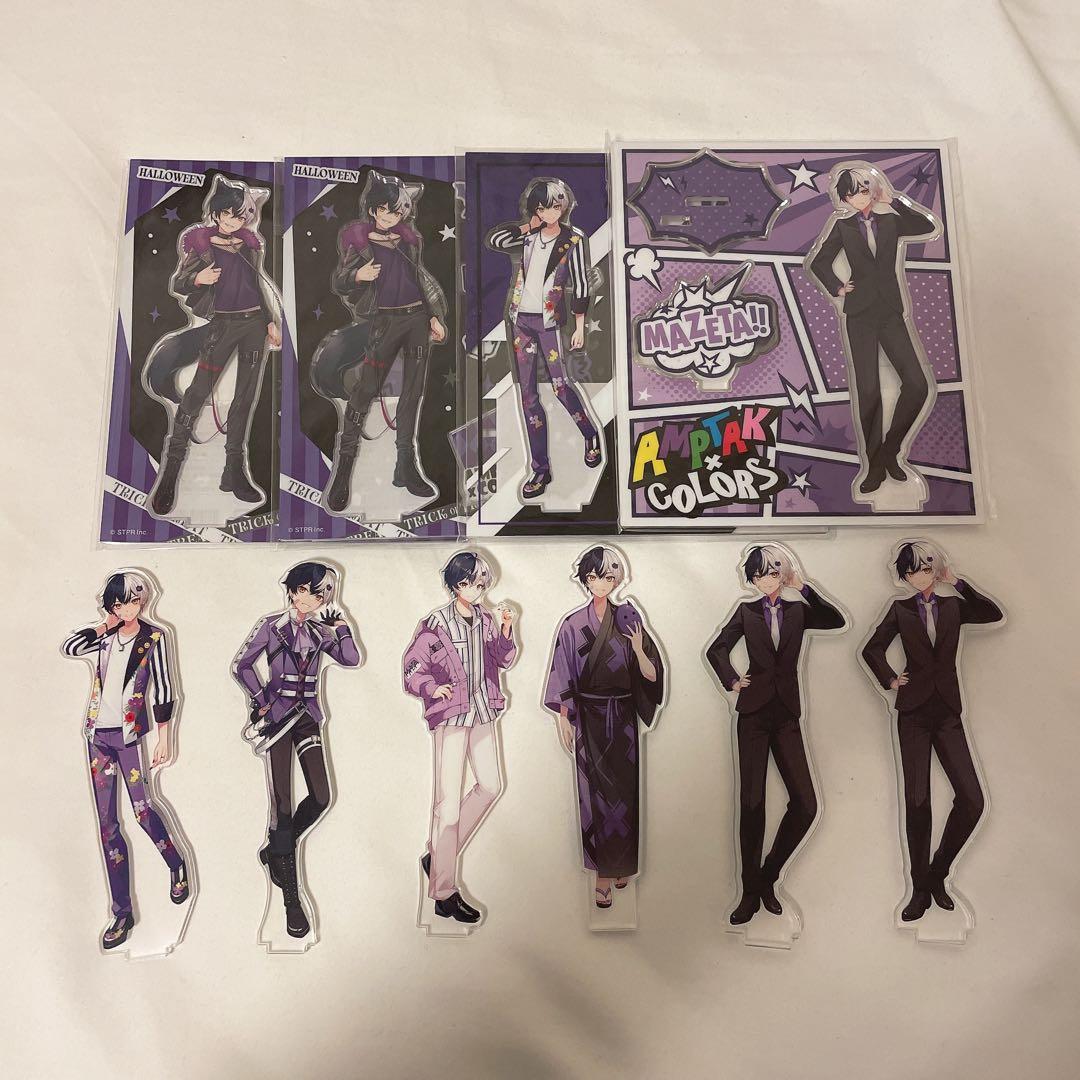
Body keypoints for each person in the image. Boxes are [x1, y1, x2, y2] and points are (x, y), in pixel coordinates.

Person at [862, 540, 1004, 922]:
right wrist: (891, 680)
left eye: (927, 567)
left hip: (947, 711)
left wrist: (956, 581)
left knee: (972, 799)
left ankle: (937, 874)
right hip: (912, 713)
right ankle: (918, 889)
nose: (921, 575)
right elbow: (871, 650)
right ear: (905, 575)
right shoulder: (900, 609)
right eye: (914, 570)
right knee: (917, 801)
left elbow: (991, 613)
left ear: (935, 568)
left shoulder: (954, 605)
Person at [706, 545, 845, 925]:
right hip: (752, 713)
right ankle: (749, 892)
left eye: (773, 572)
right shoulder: (746, 611)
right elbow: (717, 650)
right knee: (752, 804)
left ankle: (767, 877)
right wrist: (733, 680)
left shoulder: (798, 610)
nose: (768, 580)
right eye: (761, 574)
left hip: (786, 713)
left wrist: (803, 586)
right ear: (752, 579)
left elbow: (834, 620)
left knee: (806, 804)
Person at [62, 571, 190, 951]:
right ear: (112, 606)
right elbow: (70, 647)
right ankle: (122, 912)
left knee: (143, 809)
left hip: (130, 736)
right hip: (98, 737)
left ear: (143, 600)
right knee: (107, 825)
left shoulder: (154, 637)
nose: (129, 609)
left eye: (134, 601)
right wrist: (105, 625)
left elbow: (165, 689)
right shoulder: (103, 638)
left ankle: (176, 863)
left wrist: (164, 738)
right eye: (120, 604)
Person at [233, 562, 360, 938]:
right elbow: (242, 665)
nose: (310, 599)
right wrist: (261, 700)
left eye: (318, 594)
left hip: (307, 718)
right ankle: (292, 901)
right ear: (292, 590)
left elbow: (351, 658)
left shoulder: (322, 631)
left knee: (321, 796)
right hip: (277, 719)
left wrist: (342, 626)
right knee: (283, 807)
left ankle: (277, 849)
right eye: (304, 590)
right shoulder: (271, 626)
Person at [147, 175, 281, 516]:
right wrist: (198, 278)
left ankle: (233, 471)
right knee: (197, 393)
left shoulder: (249, 245)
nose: (236, 221)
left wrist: (269, 320)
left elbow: (256, 285)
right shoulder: (201, 244)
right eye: (231, 214)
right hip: (222, 326)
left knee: (245, 398)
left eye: (243, 216)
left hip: (254, 326)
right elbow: (179, 282)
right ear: (218, 213)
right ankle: (170, 471)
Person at [544, 546, 665, 910]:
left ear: (617, 580)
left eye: (609, 577)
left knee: (625, 795)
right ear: (586, 579)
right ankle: (602, 875)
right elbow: (562, 670)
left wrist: (638, 647)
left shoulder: (627, 619)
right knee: (593, 796)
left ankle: (623, 865)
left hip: (623, 717)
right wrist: (563, 716)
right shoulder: (571, 625)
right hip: (589, 719)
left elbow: (652, 675)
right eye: (595, 576)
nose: (601, 583)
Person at [320, 172, 447, 513]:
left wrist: (433, 316)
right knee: (365, 391)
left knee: (412, 393)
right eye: (386, 210)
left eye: (399, 211)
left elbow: (418, 278)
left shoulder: (408, 241)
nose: (392, 216)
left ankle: (406, 466)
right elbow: (339, 282)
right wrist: (358, 275)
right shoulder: (360, 242)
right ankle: (343, 470)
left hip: (416, 320)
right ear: (374, 209)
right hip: (384, 322)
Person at [808, 165, 938, 494]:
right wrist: (838, 287)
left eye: (865, 188)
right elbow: (818, 262)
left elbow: (926, 225)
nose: (862, 195)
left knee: (918, 384)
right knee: (867, 392)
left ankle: (889, 451)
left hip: (890, 310)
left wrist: (894, 201)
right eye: (854, 192)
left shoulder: (891, 219)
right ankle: (874, 466)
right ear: (845, 198)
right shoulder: (842, 225)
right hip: (859, 315)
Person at [402, 552, 516, 924]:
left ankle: (437, 855)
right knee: (447, 806)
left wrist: (506, 629)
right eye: (470, 583)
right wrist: (431, 688)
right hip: (451, 716)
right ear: (456, 584)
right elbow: (412, 668)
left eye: (482, 583)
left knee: (491, 785)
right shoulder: (436, 623)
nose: (477, 589)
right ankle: (443, 893)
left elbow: (504, 659)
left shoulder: (486, 619)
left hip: (482, 711)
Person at [488, 178, 602, 499]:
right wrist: (529, 226)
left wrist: (579, 325)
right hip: (520, 321)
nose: (552, 211)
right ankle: (540, 468)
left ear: (564, 206)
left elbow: (581, 284)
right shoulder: (528, 237)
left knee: (561, 385)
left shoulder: (573, 239)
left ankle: (590, 434)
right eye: (544, 207)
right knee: (527, 396)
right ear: (536, 209)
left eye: (556, 205)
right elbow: (495, 240)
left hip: (549, 322)